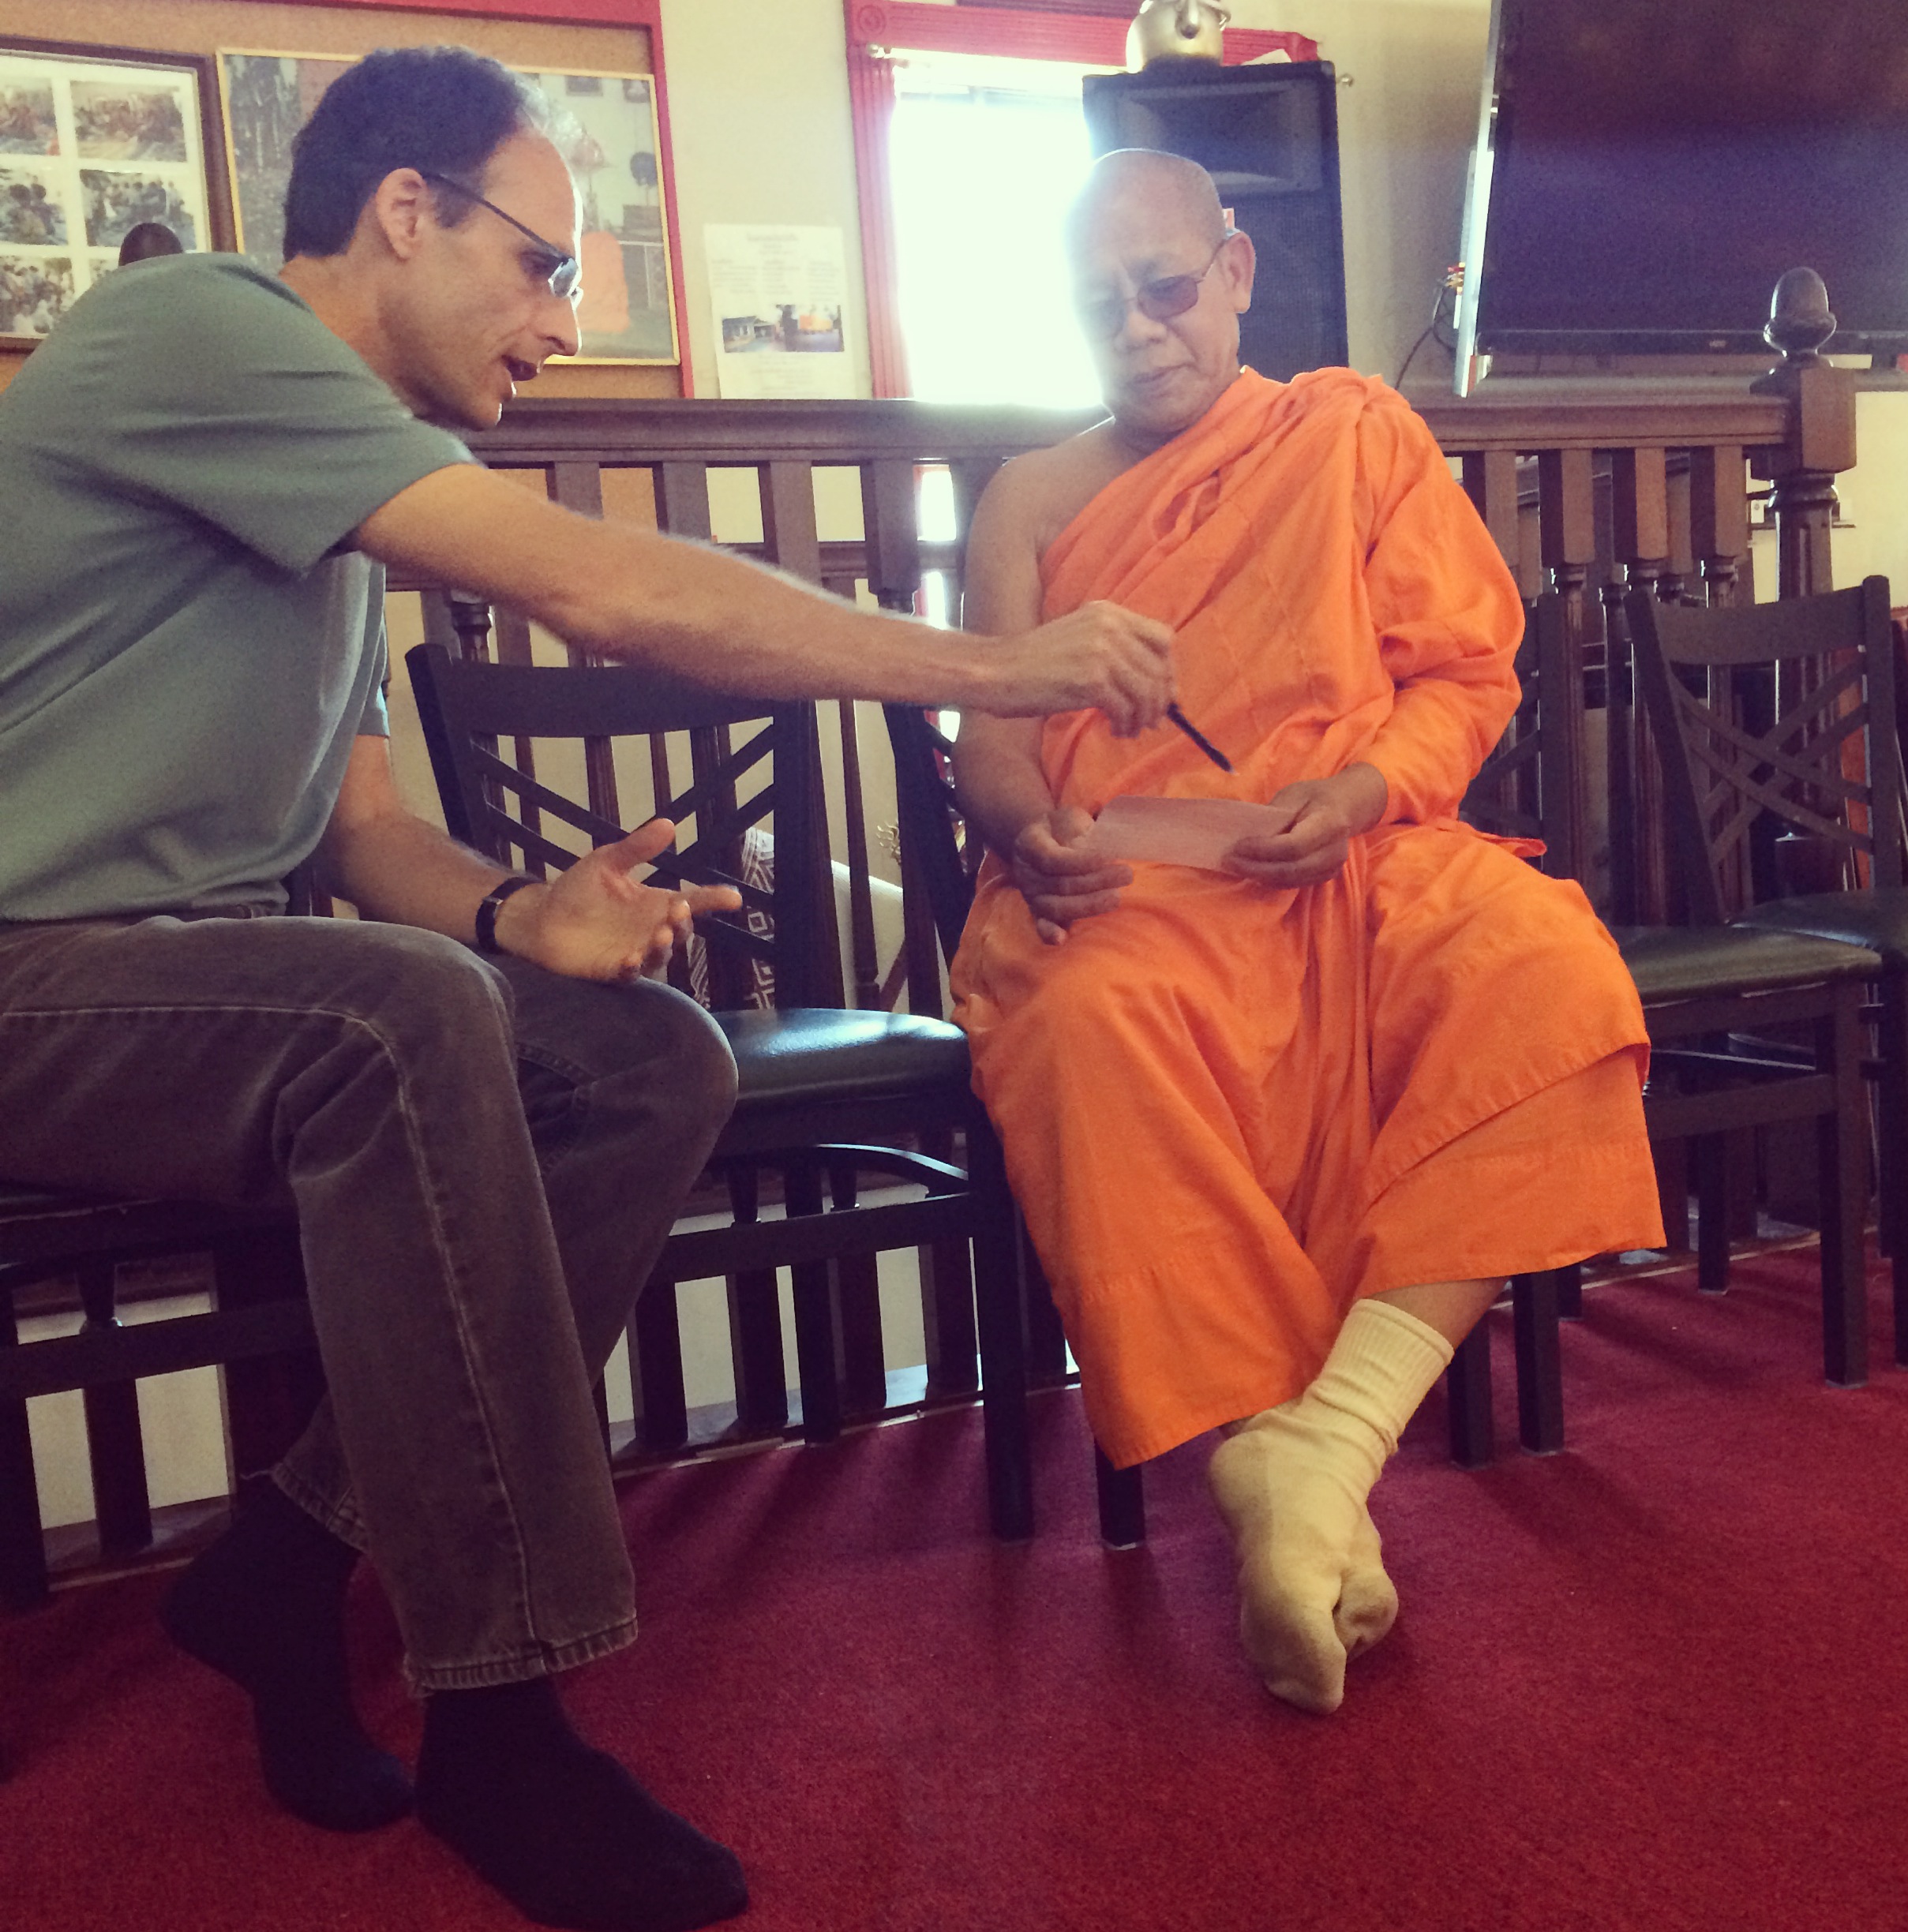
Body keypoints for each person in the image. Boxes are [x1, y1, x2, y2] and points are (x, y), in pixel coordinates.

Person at [0, 47, 1175, 1932]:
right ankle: (503, 1715)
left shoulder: (328, 507)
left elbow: (366, 834)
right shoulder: (192, 330)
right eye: (543, 266)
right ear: (405, 212)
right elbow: (608, 595)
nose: (562, 324)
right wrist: (993, 667)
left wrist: (516, 911)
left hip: (200, 987)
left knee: (644, 1059)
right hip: (28, 984)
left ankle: (285, 1559)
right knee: (400, 1021)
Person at [949, 149, 1663, 1717]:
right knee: (1090, 1027)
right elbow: (989, 737)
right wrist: (1028, 831)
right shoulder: (1031, 498)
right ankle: (1289, 1469)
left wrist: (1358, 792)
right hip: (1128, 891)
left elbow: (1463, 676)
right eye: (1097, 306)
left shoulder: (1348, 432)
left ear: (1235, 272)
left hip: (1351, 854)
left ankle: (1327, 1441)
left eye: (1165, 289)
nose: (1138, 330)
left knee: (1547, 971)